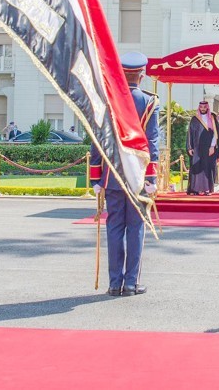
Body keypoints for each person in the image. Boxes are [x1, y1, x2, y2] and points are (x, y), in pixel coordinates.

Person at [89, 52, 159, 297]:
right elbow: (151, 142)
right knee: (136, 228)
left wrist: (95, 177)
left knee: (115, 229)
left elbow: (98, 139)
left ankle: (114, 283)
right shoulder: (149, 102)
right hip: (137, 176)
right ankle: (131, 283)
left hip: (112, 175)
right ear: (142, 75)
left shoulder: (107, 101)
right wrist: (151, 178)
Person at [187, 101, 219, 195]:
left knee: (206, 168)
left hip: (208, 148)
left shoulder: (212, 118)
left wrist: (212, 146)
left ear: (207, 108)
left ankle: (206, 189)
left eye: (204, 107)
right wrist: (189, 147)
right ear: (199, 108)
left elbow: (216, 134)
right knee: (196, 167)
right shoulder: (194, 119)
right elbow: (190, 133)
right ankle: (195, 189)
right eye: (201, 107)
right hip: (196, 148)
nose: (203, 109)